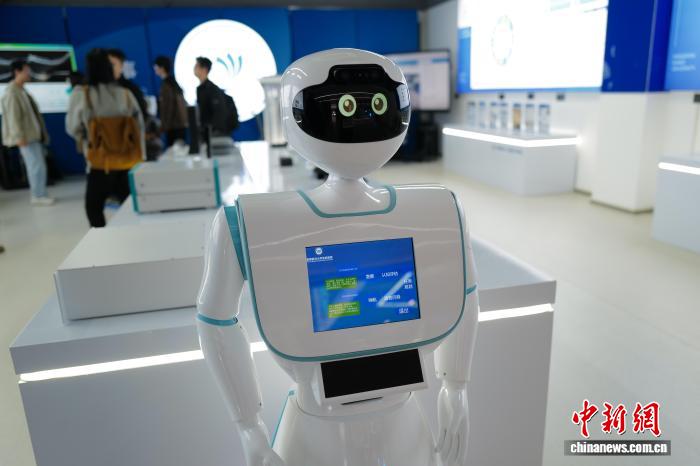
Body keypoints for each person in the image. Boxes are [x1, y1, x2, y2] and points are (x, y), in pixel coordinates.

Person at [66, 48, 145, 228]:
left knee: (93, 207)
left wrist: (86, 137)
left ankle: (101, 238)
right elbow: (138, 126)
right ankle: (134, 236)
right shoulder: (125, 94)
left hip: (100, 163)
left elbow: (72, 128)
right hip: (127, 161)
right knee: (130, 206)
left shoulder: (81, 94)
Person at [1, 59, 55, 206]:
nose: (29, 73)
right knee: (35, 166)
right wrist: (19, 137)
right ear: (17, 72)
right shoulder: (12, 92)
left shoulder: (22, 90)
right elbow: (13, 117)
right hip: (26, 137)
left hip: (33, 135)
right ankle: (37, 195)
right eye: (26, 71)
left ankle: (41, 193)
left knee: (39, 165)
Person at [153, 56, 188, 147]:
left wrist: (163, 126)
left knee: (174, 151)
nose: (154, 68)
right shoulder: (173, 82)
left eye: (156, 66)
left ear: (162, 68)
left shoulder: (166, 85)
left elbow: (168, 107)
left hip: (173, 126)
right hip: (179, 125)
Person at [107, 48, 149, 119]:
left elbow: (142, 114)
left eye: (112, 64)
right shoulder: (99, 88)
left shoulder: (131, 89)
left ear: (121, 66)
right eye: (106, 64)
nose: (108, 68)